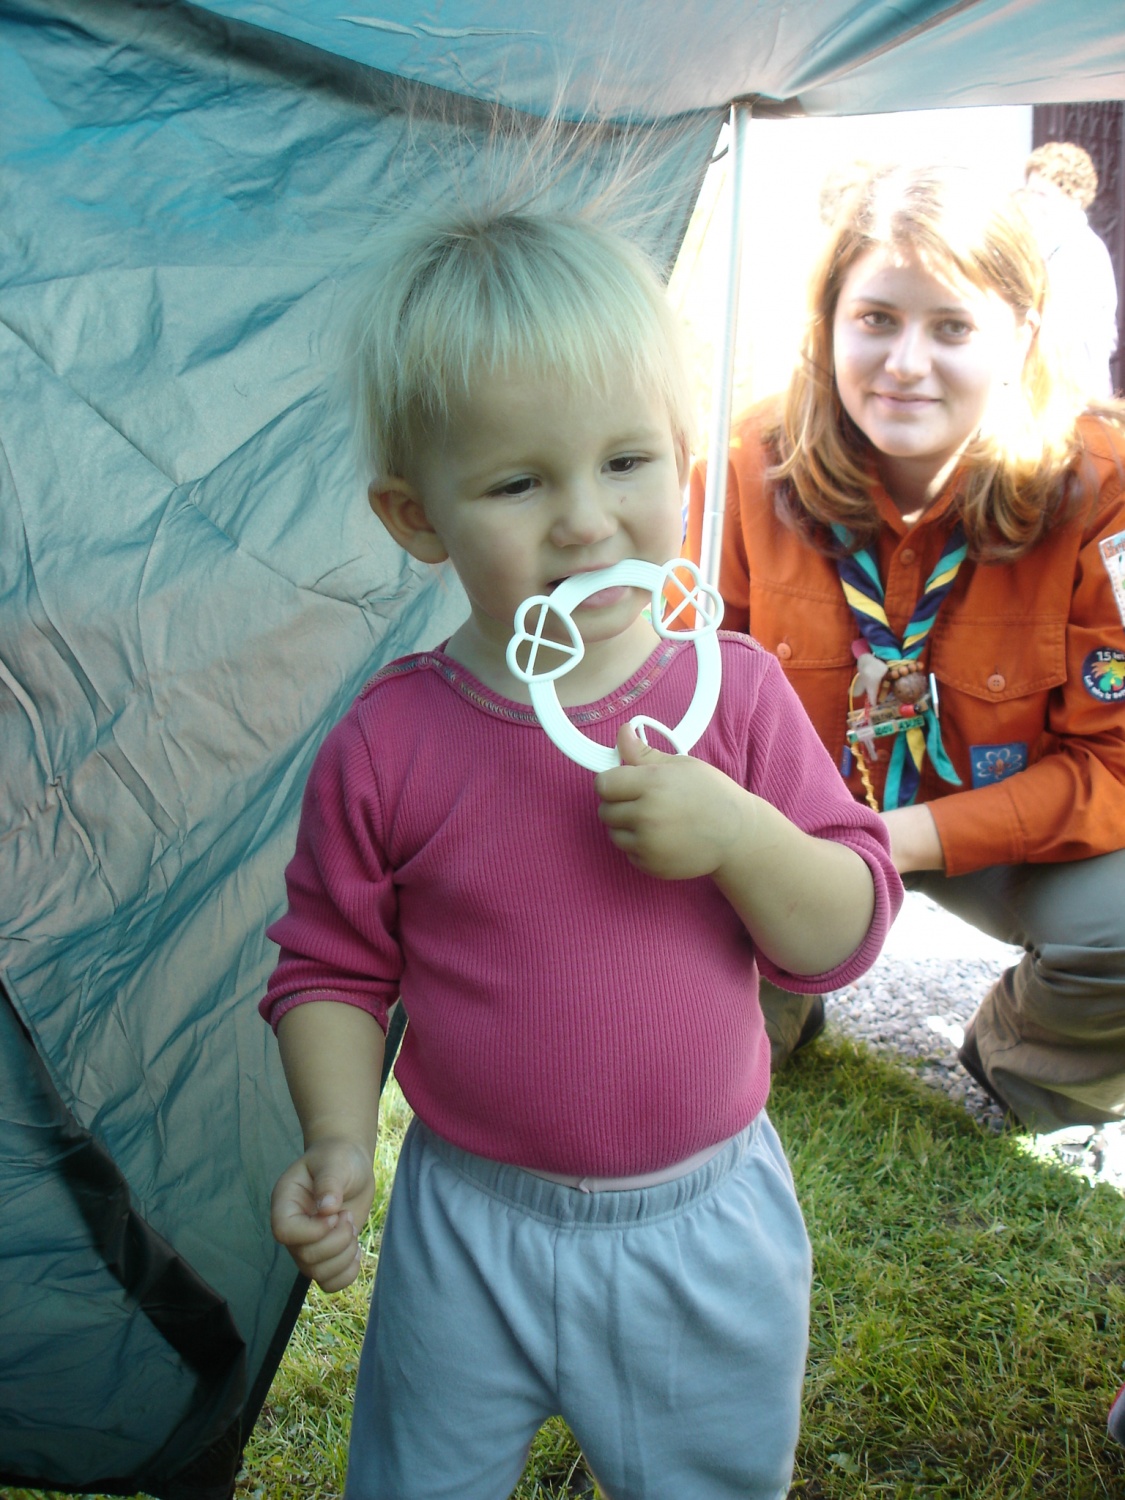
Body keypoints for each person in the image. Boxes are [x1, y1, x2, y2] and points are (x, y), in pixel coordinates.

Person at [258, 203, 902, 1500]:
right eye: (516, 481)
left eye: (624, 463)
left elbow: (840, 931)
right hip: (466, 1223)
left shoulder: (736, 695)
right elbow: (328, 967)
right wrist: (337, 1139)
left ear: (682, 456)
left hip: (698, 1224)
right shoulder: (392, 742)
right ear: (415, 514)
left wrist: (736, 833)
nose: (584, 523)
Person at [685, 163, 1125, 1134]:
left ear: (1020, 336)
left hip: (999, 822)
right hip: (792, 828)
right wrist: (770, 855)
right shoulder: (741, 470)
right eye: (876, 318)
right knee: (709, 1058)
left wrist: (896, 840)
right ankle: (786, 995)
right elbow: (687, 699)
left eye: (951, 327)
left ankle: (1025, 1072)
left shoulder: (1107, 491)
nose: (905, 363)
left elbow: (1116, 766)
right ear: (828, 324)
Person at [1021, 141, 1119, 397]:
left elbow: (1066, 340)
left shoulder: (1083, 253)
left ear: (1074, 198)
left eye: (1041, 195)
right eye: (1028, 192)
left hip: (1074, 401)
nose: (1030, 203)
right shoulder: (1044, 246)